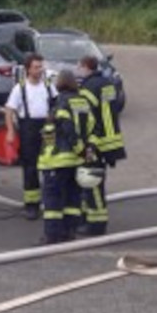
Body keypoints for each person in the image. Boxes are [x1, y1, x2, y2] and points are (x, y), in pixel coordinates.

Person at [37, 68, 95, 245]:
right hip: (76, 161)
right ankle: (69, 232)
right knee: (72, 198)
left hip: (58, 160)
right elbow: (92, 126)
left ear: (60, 83)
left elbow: (67, 127)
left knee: (52, 200)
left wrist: (78, 147)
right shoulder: (84, 102)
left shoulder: (61, 103)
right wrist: (86, 150)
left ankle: (52, 235)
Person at [76, 54, 126, 236]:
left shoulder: (88, 88)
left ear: (84, 67)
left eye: (79, 66)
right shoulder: (107, 84)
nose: (77, 70)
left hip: (95, 143)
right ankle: (88, 219)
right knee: (96, 182)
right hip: (110, 142)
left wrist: (87, 144)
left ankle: (96, 225)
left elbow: (89, 119)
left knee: (91, 183)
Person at [3, 52, 54, 220]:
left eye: (41, 66)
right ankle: (31, 205)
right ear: (28, 69)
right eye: (36, 67)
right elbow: (9, 110)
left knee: (50, 166)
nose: (40, 70)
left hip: (47, 128)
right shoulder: (20, 88)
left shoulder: (48, 85)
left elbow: (58, 103)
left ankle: (50, 202)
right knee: (30, 168)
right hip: (28, 128)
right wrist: (10, 131)